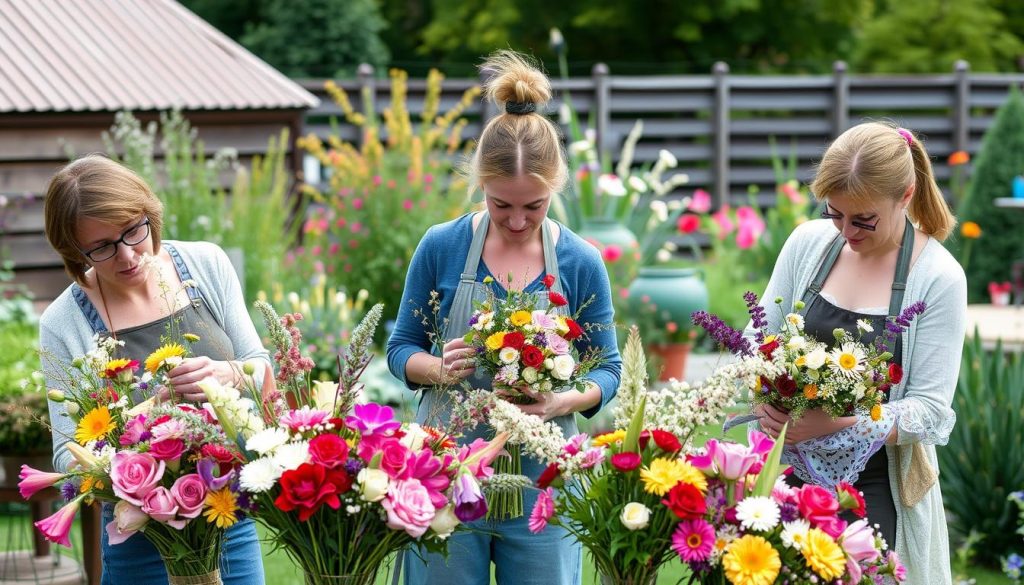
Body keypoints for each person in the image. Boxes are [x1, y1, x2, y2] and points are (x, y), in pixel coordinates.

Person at [387, 50, 622, 585]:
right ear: (480, 186)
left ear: (554, 188)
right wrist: (438, 368)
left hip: (544, 480)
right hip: (447, 468)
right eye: (501, 205)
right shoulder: (443, 247)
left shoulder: (581, 262)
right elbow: (401, 348)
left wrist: (562, 400)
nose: (517, 220)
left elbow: (609, 368)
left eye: (533, 206)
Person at [39, 154, 269, 585]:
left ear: (149, 213)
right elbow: (66, 457)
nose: (127, 256)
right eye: (103, 247)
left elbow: (261, 368)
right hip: (138, 539)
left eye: (133, 231)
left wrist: (228, 375)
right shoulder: (63, 322)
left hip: (228, 519)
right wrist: (148, 413)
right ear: (74, 250)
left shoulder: (205, 265)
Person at [752, 122, 966, 584]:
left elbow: (930, 413)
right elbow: (757, 343)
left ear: (906, 196)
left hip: (874, 494)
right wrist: (763, 398)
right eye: (835, 214)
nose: (846, 231)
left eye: (863, 220)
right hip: (784, 479)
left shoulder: (939, 278)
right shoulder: (808, 244)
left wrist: (841, 424)